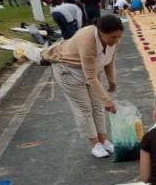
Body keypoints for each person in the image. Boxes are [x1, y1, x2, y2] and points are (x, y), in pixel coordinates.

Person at [43, 14, 122, 158]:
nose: (116, 40)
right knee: (85, 108)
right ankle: (95, 144)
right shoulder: (87, 40)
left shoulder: (114, 39)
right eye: (112, 37)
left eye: (118, 36)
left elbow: (109, 61)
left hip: (91, 70)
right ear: (101, 32)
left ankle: (104, 141)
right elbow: (90, 77)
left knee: (98, 106)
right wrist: (107, 99)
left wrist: (112, 81)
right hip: (68, 70)